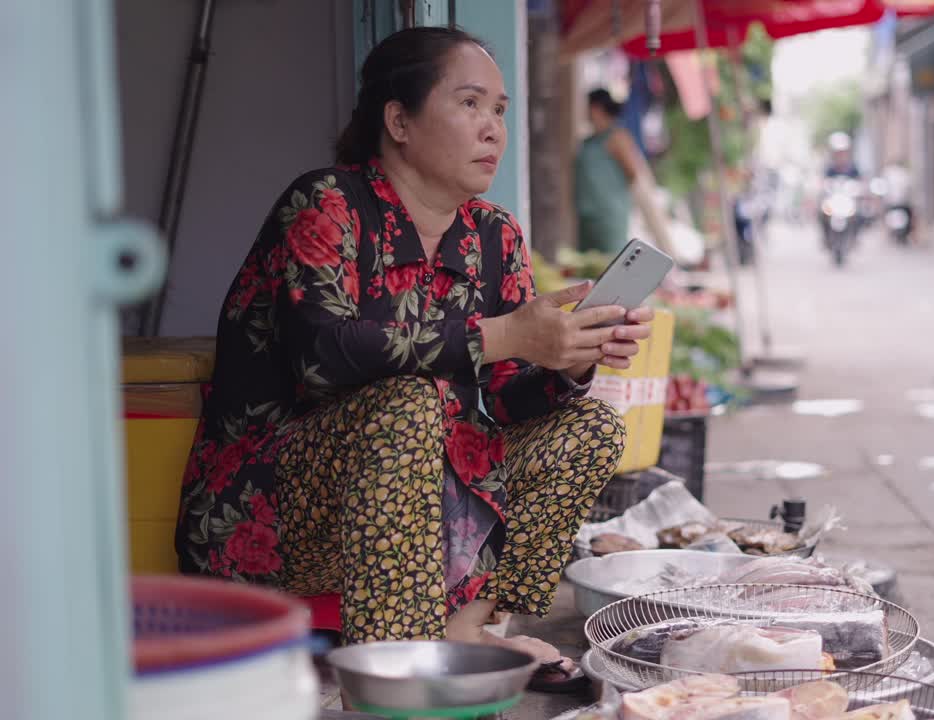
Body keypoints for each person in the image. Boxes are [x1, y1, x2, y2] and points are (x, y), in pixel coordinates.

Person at [175, 27, 652, 677]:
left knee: (588, 427)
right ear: (399, 119)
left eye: (501, 110)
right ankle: (399, 670)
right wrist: (503, 334)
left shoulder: (494, 237)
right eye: (470, 103)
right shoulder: (328, 206)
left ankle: (468, 626)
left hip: (429, 493)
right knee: (405, 408)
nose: (493, 129)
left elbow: (510, 399)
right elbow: (322, 354)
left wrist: (567, 357)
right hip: (280, 509)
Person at [574, 88, 647, 254]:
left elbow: (634, 173)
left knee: (610, 267)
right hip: (587, 217)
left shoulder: (617, 137)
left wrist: (609, 195)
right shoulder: (590, 140)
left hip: (608, 218)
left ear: (596, 108)